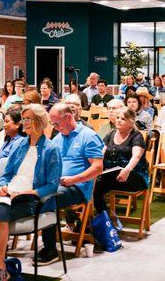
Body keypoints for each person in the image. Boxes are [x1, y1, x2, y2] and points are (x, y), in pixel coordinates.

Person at [0, 104, 62, 281]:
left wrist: (30, 192)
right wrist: (3, 186)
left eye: (28, 119)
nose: (24, 123)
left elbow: (52, 185)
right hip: (10, 194)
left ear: (39, 122)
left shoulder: (51, 148)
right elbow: (6, 174)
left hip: (31, 200)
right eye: (23, 119)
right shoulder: (19, 144)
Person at [37, 103, 103, 266]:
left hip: (77, 187)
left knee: (47, 199)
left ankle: (50, 249)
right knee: (34, 194)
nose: (55, 127)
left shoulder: (88, 136)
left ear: (68, 117)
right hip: (57, 184)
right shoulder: (58, 138)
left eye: (56, 123)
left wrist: (73, 179)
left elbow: (98, 168)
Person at [93, 107, 149, 213]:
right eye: (117, 117)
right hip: (111, 175)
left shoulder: (136, 136)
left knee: (99, 183)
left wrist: (126, 170)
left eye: (122, 119)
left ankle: (105, 218)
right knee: (95, 183)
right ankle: (104, 215)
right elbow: (101, 153)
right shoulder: (111, 134)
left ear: (131, 121)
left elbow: (136, 156)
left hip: (134, 176)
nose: (118, 120)